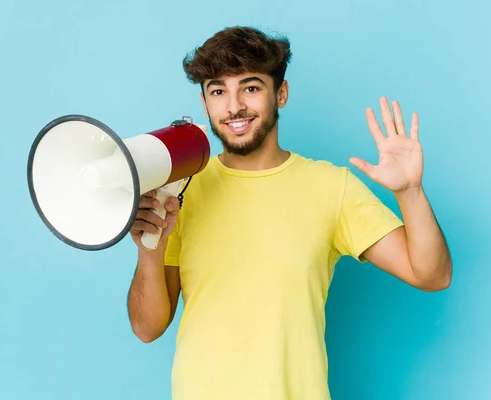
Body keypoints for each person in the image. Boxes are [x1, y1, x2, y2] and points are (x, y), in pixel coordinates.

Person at [126, 26, 452, 400]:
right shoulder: (182, 187)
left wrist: (409, 191)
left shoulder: (332, 188)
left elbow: (432, 275)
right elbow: (147, 328)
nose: (233, 106)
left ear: (280, 93)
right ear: (204, 103)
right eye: (218, 90)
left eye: (250, 87)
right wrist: (149, 248)